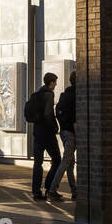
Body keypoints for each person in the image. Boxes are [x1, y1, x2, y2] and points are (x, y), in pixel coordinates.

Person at [29, 72, 61, 200]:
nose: (56, 84)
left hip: (37, 132)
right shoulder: (49, 95)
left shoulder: (37, 94)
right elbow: (48, 113)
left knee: (38, 163)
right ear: (51, 83)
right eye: (55, 82)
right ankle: (49, 186)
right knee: (57, 159)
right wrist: (54, 126)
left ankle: (36, 191)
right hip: (47, 133)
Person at [48, 71, 78, 201]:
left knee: (70, 163)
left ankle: (74, 191)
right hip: (72, 132)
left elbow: (59, 112)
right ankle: (52, 189)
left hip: (64, 131)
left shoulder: (65, 94)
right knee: (66, 161)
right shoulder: (77, 94)